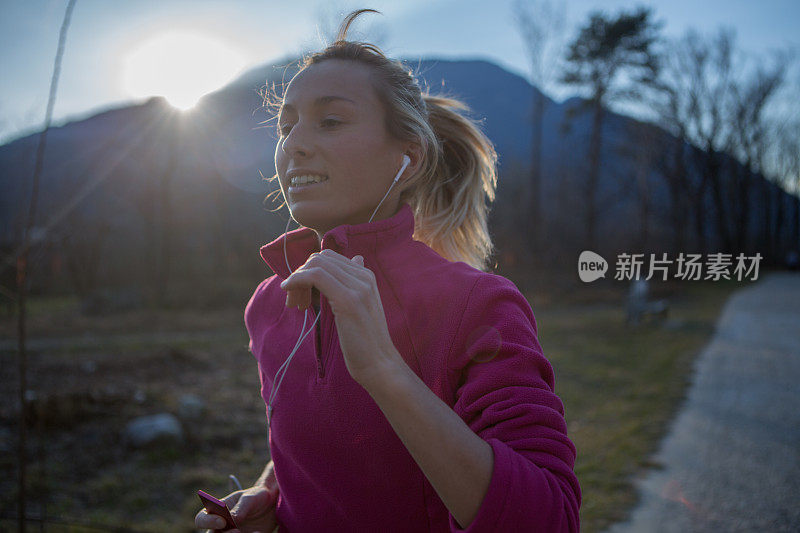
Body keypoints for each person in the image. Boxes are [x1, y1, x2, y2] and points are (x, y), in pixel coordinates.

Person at [196, 8, 581, 532]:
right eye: (287, 126)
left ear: (410, 158)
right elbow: (310, 452)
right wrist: (269, 495)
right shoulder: (270, 301)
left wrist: (383, 369)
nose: (294, 144)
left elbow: (550, 519)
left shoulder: (478, 304)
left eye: (330, 121)